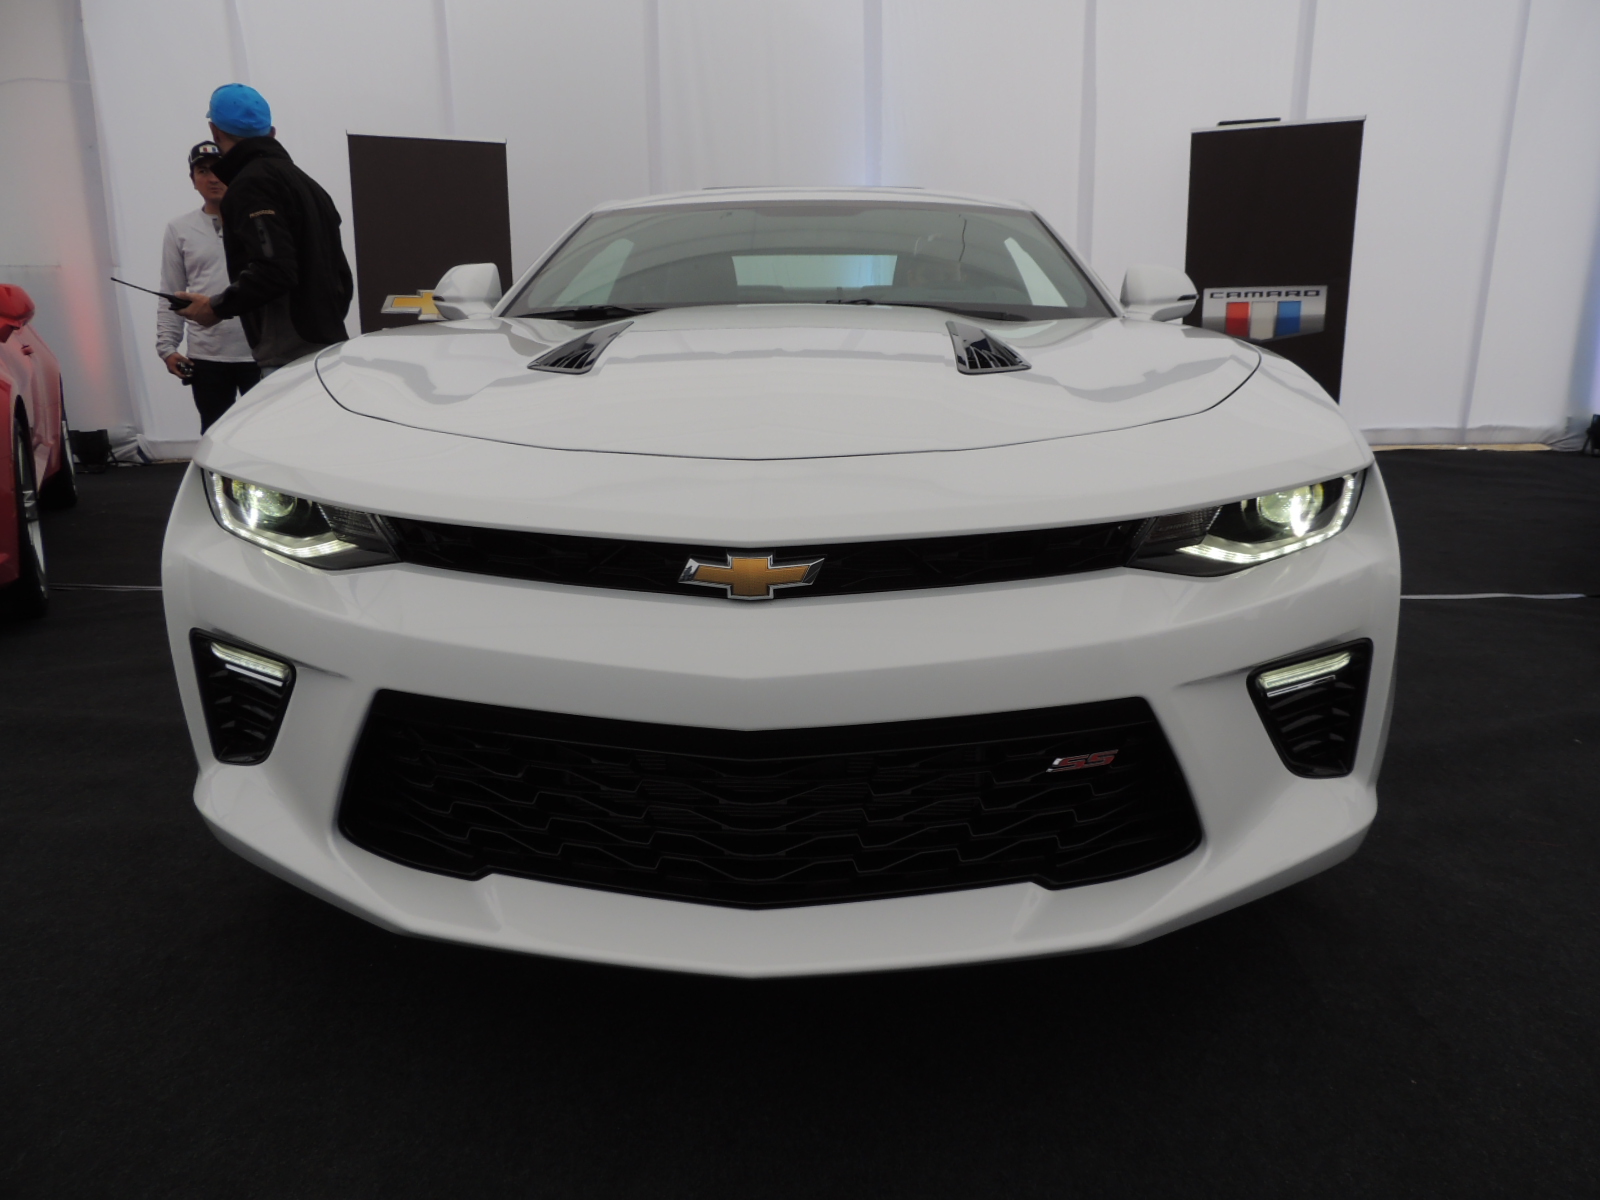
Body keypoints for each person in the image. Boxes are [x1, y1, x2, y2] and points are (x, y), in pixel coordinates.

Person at [176, 84, 353, 374]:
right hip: (326, 345)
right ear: (272, 133)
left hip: (289, 357)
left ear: (214, 132)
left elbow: (275, 270)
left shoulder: (251, 186)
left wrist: (215, 308)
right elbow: (341, 276)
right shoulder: (308, 185)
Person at [157, 141, 260, 432]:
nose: (213, 178)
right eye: (203, 171)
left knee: (262, 436)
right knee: (215, 435)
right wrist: (167, 348)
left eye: (219, 169)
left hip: (259, 352)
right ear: (193, 180)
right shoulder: (179, 228)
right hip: (208, 356)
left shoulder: (259, 221)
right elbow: (171, 292)